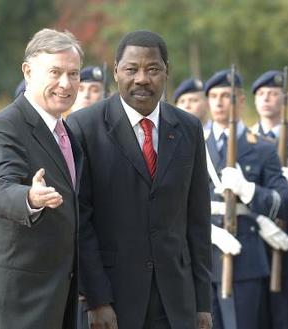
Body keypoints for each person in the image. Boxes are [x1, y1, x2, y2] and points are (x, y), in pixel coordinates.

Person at [67, 30, 212, 329]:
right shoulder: (84, 127)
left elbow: (198, 220)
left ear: (167, 72)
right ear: (116, 71)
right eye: (132, 69)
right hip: (111, 301)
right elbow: (80, 221)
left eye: (153, 69)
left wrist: (202, 303)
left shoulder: (189, 128)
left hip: (175, 302)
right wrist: (96, 299)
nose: (142, 79)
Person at [0, 28, 83, 329]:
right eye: (55, 72)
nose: (66, 84)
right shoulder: (4, 127)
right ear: (28, 71)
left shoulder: (67, 133)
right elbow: (0, 189)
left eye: (74, 74)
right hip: (13, 302)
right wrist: (29, 197)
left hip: (54, 293)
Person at [204, 69, 288, 329]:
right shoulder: (194, 143)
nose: (220, 103)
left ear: (241, 101)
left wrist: (249, 191)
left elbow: (284, 203)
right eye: (214, 96)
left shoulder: (262, 147)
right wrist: (209, 231)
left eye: (227, 96)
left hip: (245, 259)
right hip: (201, 256)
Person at [250, 70, 288, 329]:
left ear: (284, 100)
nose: (266, 99)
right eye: (261, 94)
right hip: (255, 240)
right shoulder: (245, 142)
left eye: (273, 94)